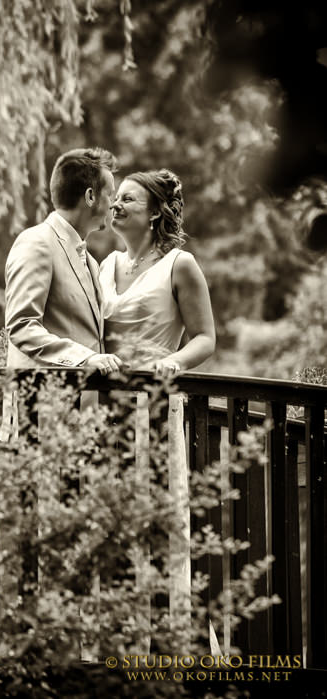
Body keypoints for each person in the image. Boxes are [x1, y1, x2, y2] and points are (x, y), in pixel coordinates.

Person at [99, 168, 216, 653]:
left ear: (154, 213)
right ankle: (114, 644)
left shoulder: (180, 265)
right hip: (104, 412)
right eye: (115, 198)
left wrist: (172, 361)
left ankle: (171, 648)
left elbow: (207, 338)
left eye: (127, 199)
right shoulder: (104, 265)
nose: (115, 205)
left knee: (156, 524)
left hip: (156, 404)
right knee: (108, 525)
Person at [0, 147, 123, 443]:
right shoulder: (36, 242)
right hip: (37, 416)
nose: (113, 204)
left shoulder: (90, 261)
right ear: (91, 197)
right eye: (110, 194)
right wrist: (85, 359)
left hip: (79, 419)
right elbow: (22, 327)